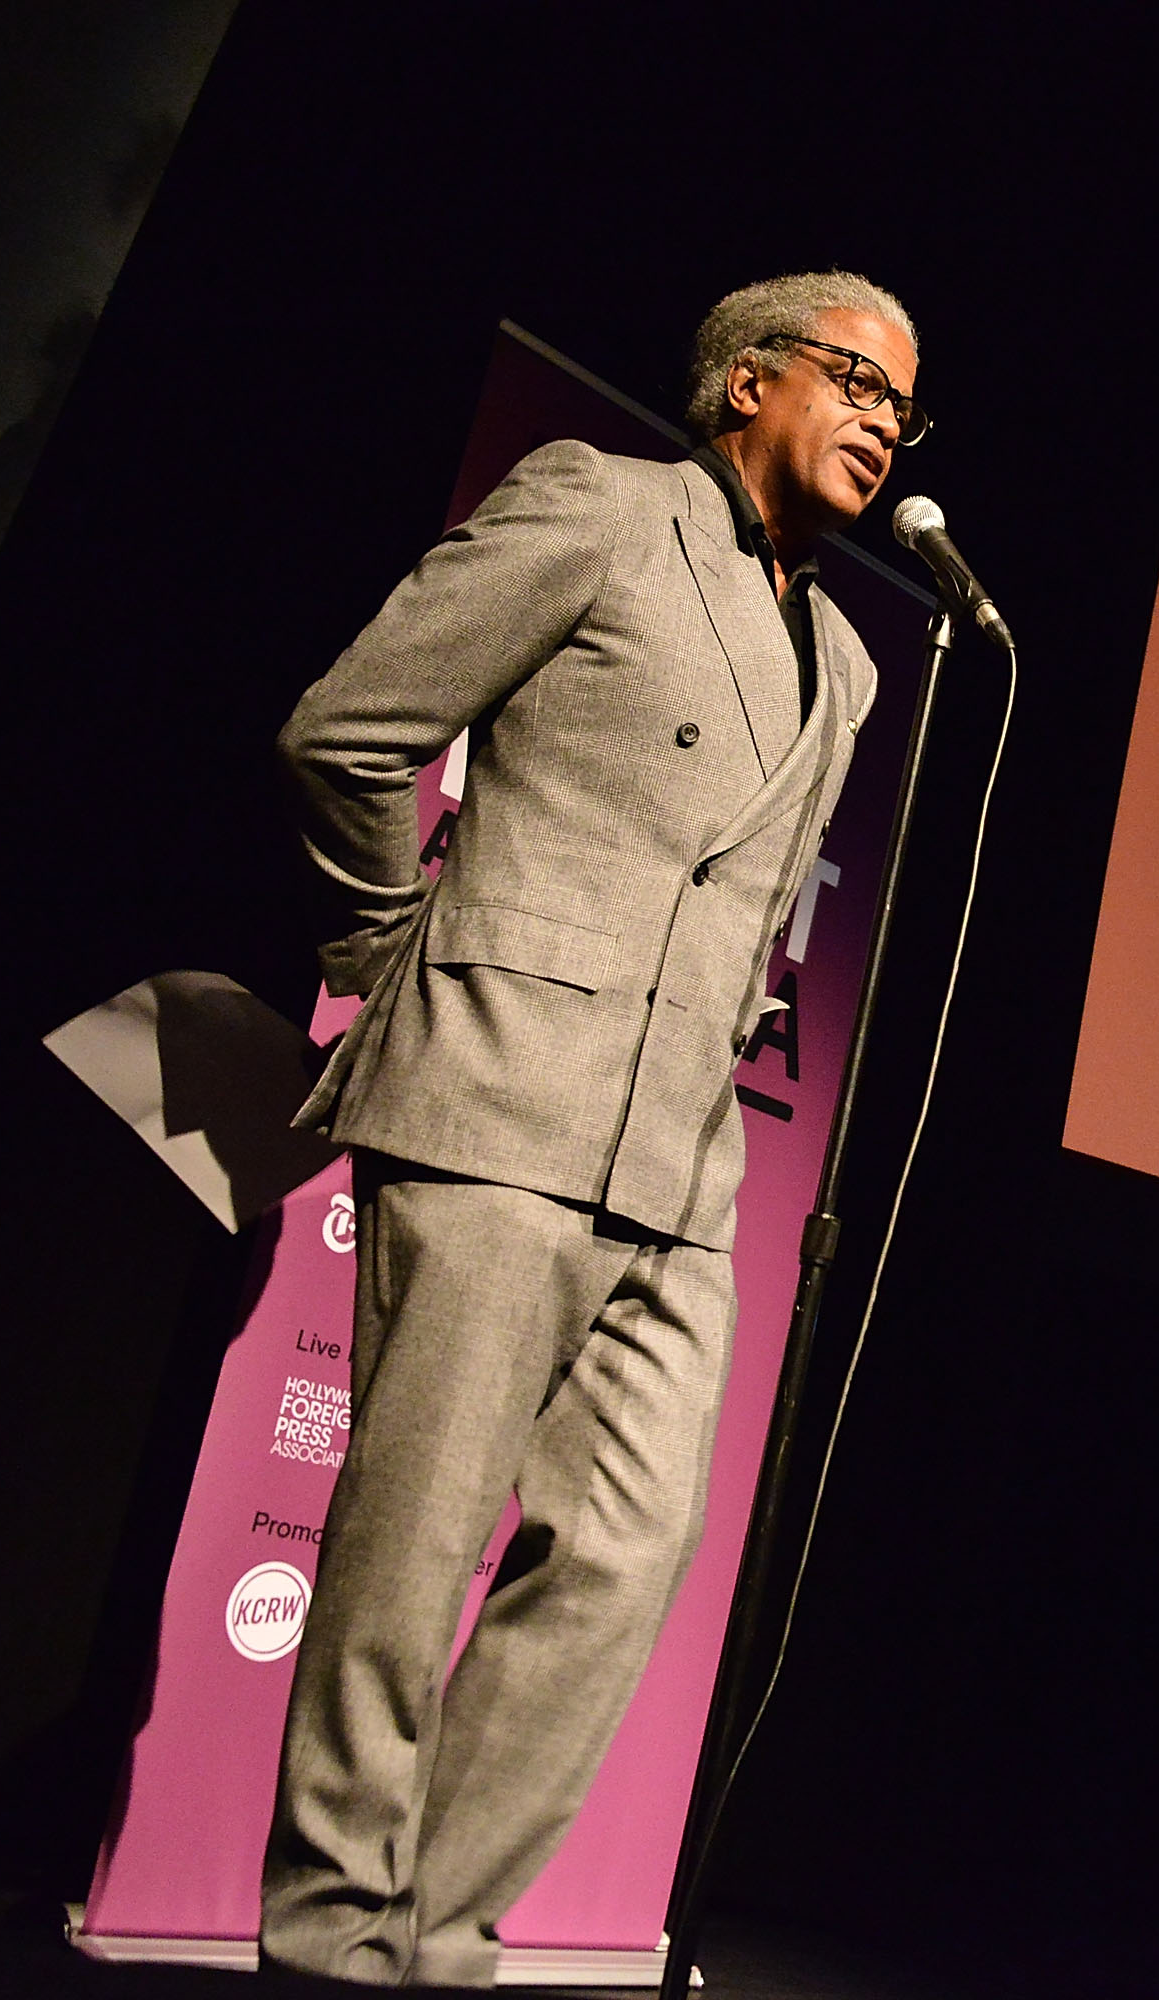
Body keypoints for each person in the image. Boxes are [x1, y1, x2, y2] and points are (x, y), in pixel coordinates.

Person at [259, 271, 925, 1987]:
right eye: (853, 379)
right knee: (408, 1560)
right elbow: (349, 733)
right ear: (741, 384)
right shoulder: (599, 508)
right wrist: (397, 951)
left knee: (624, 1560)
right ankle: (332, 1946)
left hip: (683, 1165)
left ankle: (439, 1942)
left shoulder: (846, 661)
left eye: (902, 404)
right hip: (496, 1095)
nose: (880, 420)